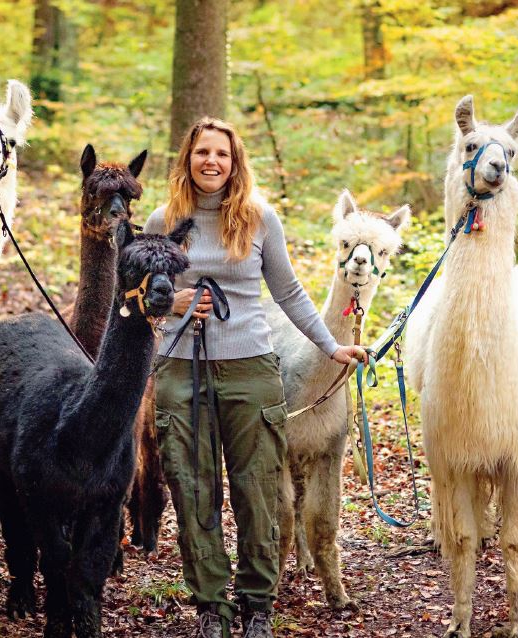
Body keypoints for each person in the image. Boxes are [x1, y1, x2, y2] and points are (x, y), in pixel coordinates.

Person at [143, 117, 367, 638]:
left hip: (251, 370)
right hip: (182, 369)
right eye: (202, 153)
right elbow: (132, 294)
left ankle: (257, 604)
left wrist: (331, 346)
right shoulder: (162, 220)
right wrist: (167, 300)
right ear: (188, 159)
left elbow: (288, 293)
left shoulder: (259, 219)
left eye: (221, 154)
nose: (211, 162)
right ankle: (209, 607)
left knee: (258, 491)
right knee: (194, 490)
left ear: (234, 161)